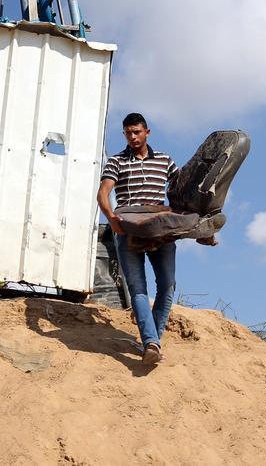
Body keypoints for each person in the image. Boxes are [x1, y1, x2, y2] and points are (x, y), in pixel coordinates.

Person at [97, 112, 178, 365]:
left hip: (159, 229)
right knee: (138, 289)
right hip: (128, 230)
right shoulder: (116, 161)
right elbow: (104, 192)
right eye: (128, 133)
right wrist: (112, 219)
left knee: (167, 284)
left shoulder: (165, 160)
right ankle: (151, 343)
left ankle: (152, 339)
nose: (132, 137)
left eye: (137, 132)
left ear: (147, 132)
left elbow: (180, 190)